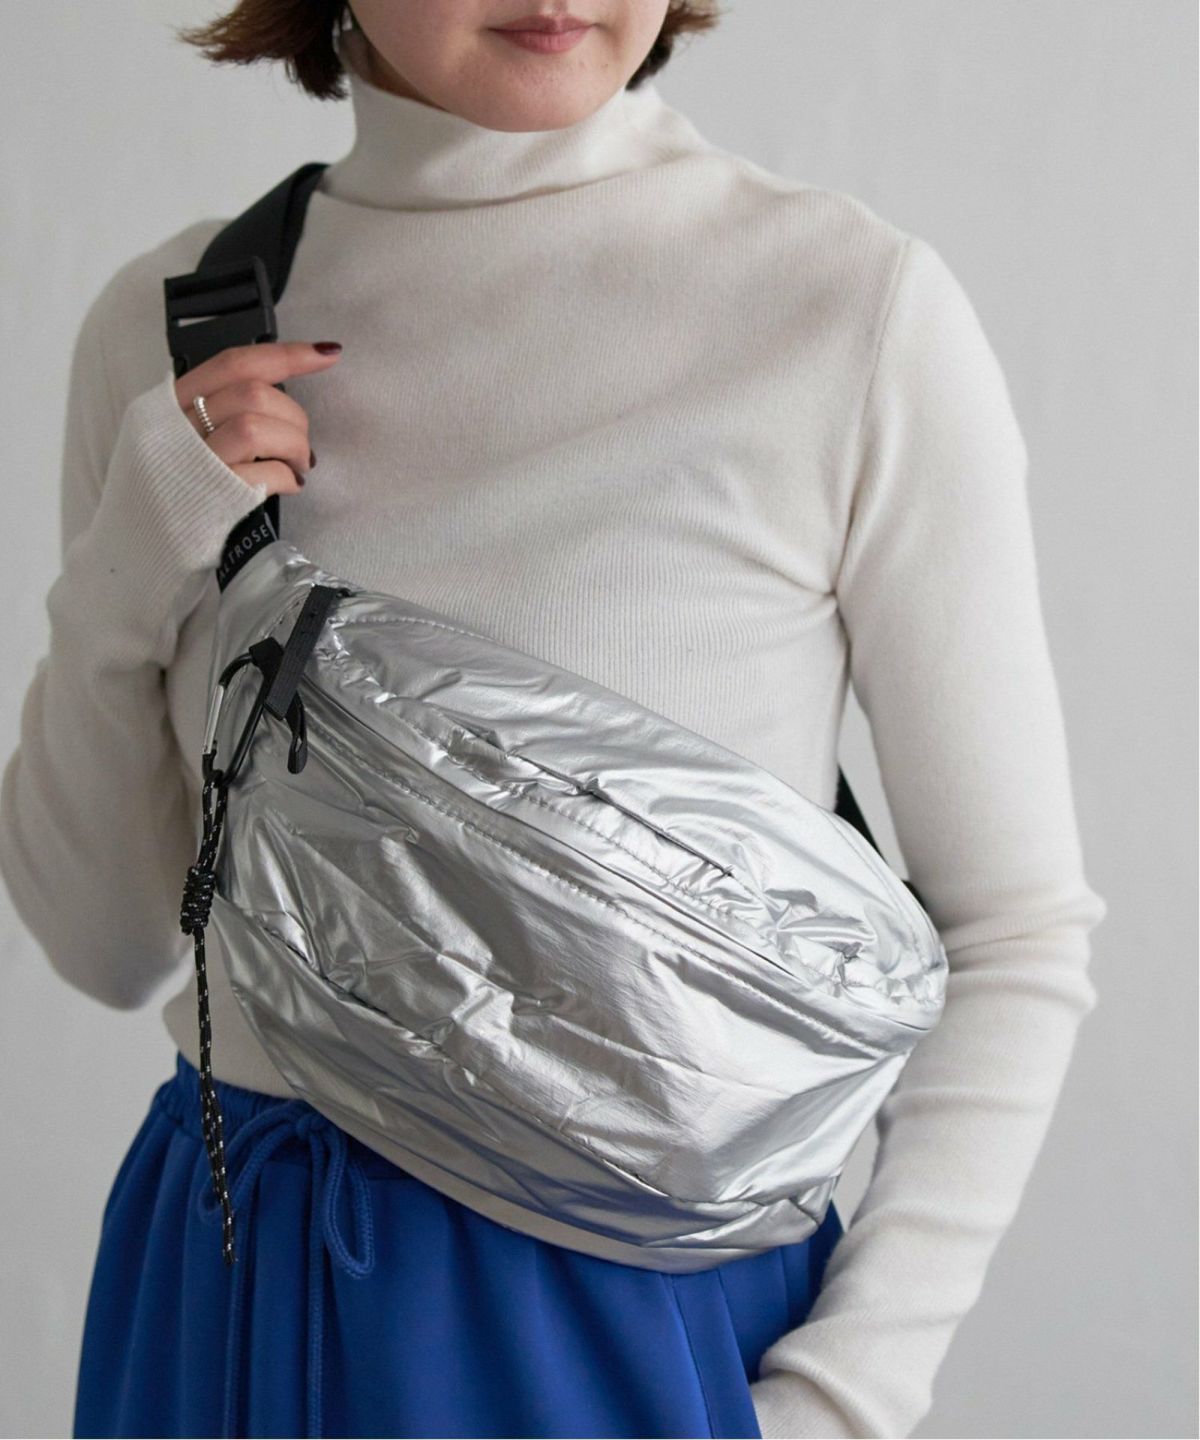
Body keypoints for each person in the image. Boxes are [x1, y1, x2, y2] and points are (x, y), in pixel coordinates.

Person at [0, 3, 1108, 1437]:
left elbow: (1014, 936)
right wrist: (124, 572)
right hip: (222, 1270)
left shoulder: (844, 309)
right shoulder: (179, 328)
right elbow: (103, 944)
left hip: (624, 1308)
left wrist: (845, 1399)